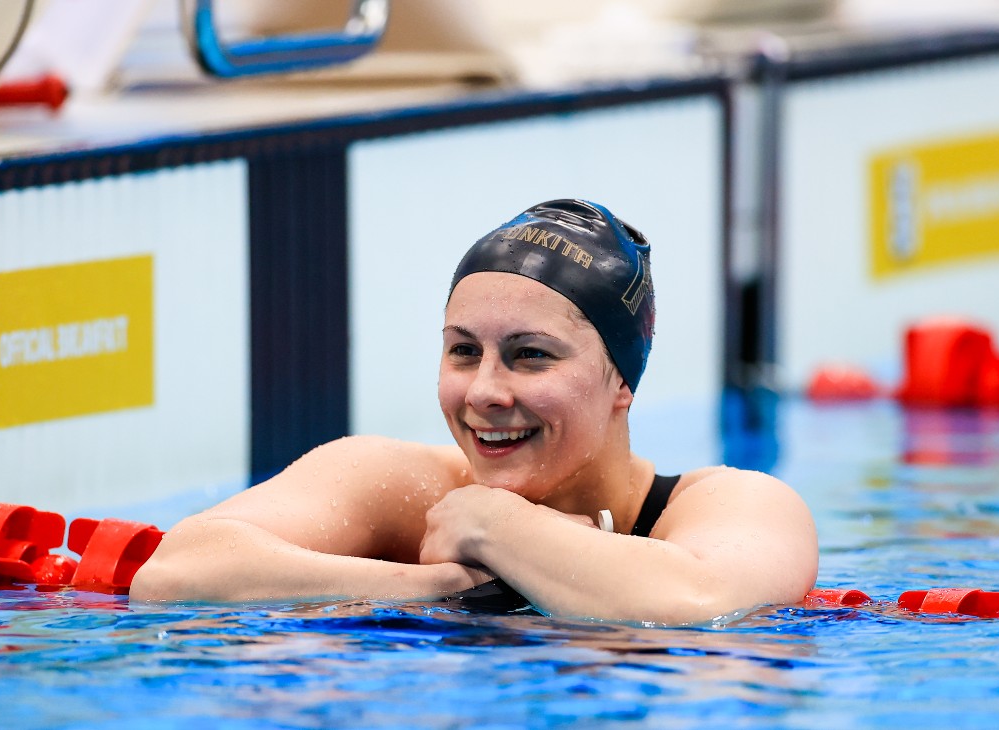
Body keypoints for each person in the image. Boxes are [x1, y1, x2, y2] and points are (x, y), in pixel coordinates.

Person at [131, 199, 818, 624]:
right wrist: (434, 587)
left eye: (531, 356)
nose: (485, 391)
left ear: (621, 383)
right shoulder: (394, 481)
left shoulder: (734, 504)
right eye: (464, 352)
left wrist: (494, 525)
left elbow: (700, 604)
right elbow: (175, 574)